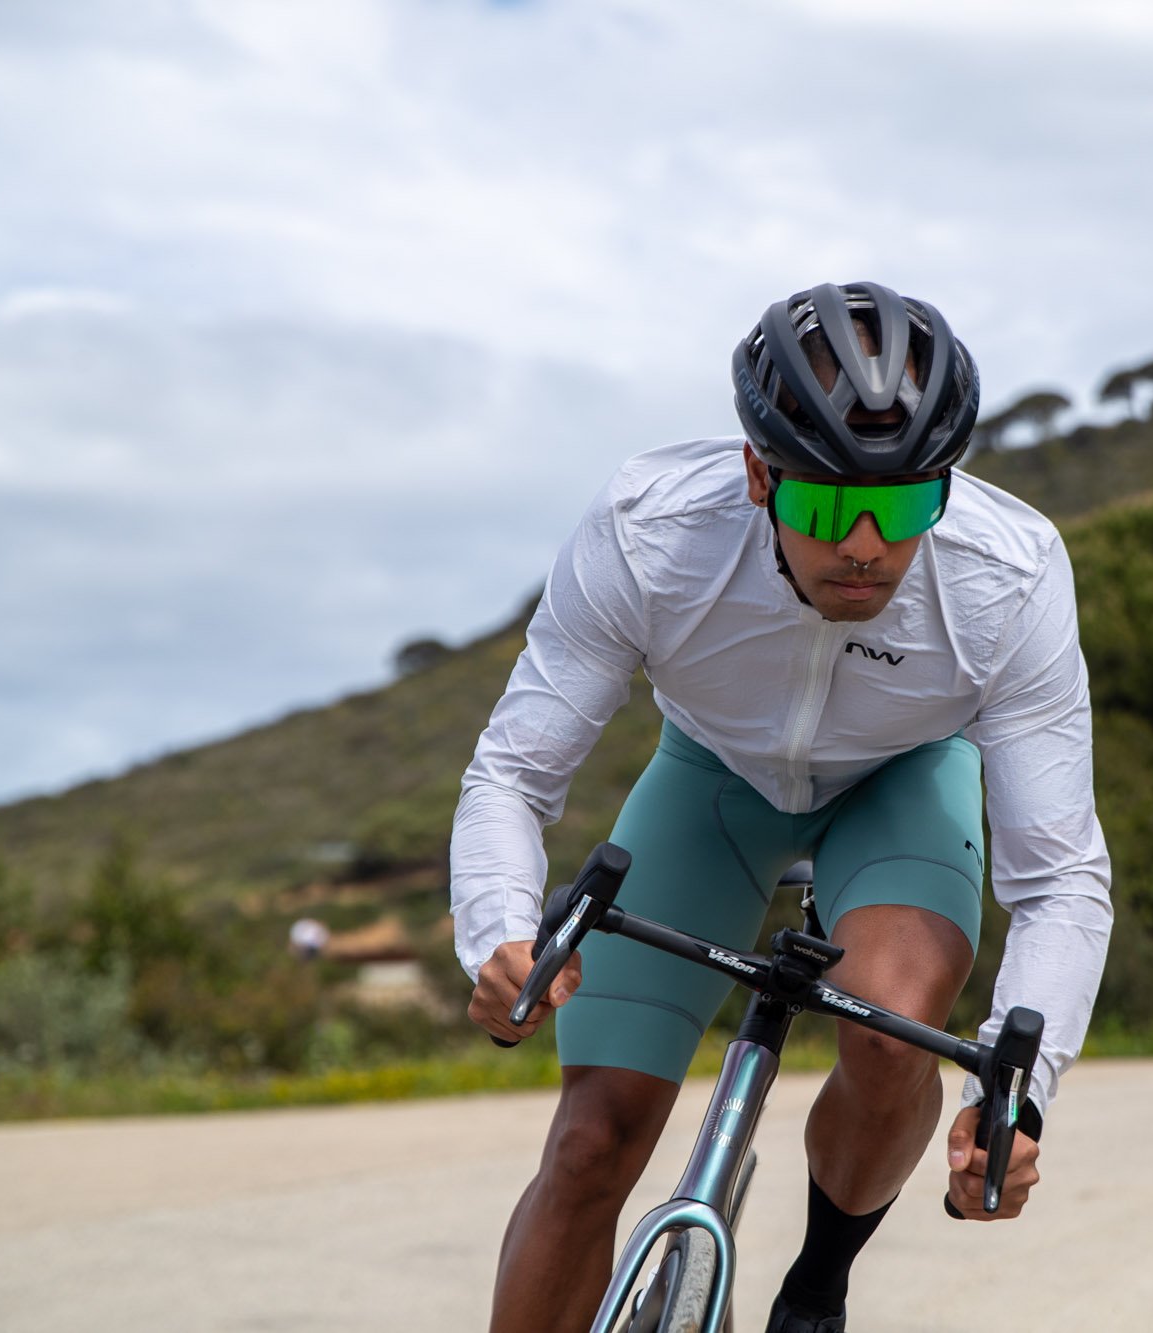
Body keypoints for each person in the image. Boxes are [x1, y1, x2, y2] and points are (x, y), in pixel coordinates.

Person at [452, 281, 1112, 1333]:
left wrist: (1015, 1097)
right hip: (711, 779)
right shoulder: (649, 529)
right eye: (827, 507)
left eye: (905, 506)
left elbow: (1060, 878)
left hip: (902, 778)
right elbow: (514, 772)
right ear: (760, 473)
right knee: (589, 1140)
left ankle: (815, 1289)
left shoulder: (1011, 576)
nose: (866, 545)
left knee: (891, 1033)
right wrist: (497, 932)